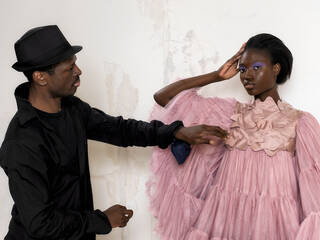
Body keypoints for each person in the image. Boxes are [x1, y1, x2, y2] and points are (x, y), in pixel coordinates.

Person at [0, 25, 225, 240]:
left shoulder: (72, 109)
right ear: (40, 77)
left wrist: (175, 132)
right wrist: (102, 220)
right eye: (69, 68)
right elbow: (40, 223)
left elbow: (120, 129)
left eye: (75, 63)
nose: (79, 72)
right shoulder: (22, 142)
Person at [147, 33, 320, 239]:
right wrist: (215, 76)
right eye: (243, 69)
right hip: (223, 223)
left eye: (256, 67)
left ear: (276, 68)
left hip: (274, 226)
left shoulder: (300, 122)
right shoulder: (230, 114)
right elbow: (164, 98)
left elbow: (313, 193)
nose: (247, 76)